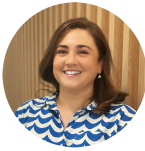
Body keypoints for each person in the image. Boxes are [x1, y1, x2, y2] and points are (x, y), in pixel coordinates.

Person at [14, 17, 137, 148]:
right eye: (62, 51)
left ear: (100, 64)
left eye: (82, 52)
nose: (70, 61)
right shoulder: (26, 113)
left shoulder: (122, 120)